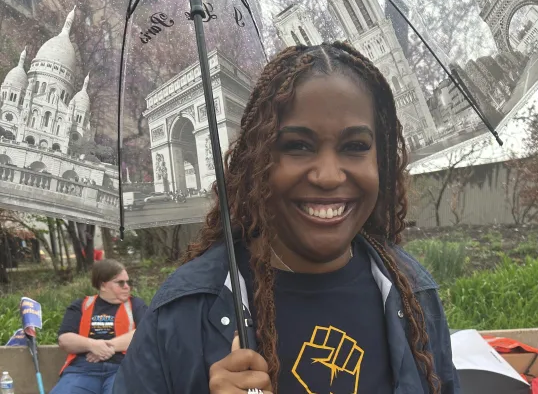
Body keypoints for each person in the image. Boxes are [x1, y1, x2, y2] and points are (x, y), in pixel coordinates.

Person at [113, 42, 460, 394]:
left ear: (381, 160)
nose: (328, 176)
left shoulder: (414, 294)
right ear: (256, 159)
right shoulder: (182, 314)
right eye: (298, 146)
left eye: (355, 146)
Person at [50, 259, 147, 394]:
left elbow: (145, 333)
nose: (127, 287)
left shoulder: (136, 305)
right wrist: (92, 345)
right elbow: (65, 339)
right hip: (82, 370)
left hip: (123, 368)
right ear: (103, 285)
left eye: (128, 282)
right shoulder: (81, 305)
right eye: (120, 282)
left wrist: (107, 347)